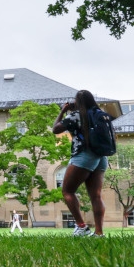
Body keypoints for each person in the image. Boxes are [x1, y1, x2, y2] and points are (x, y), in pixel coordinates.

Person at [54, 90, 110, 237]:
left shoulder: (77, 115)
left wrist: (63, 111)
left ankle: (81, 227)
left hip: (84, 155)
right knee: (96, 196)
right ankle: (99, 233)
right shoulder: (100, 114)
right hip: (101, 156)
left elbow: (56, 129)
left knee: (67, 191)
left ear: (78, 102)